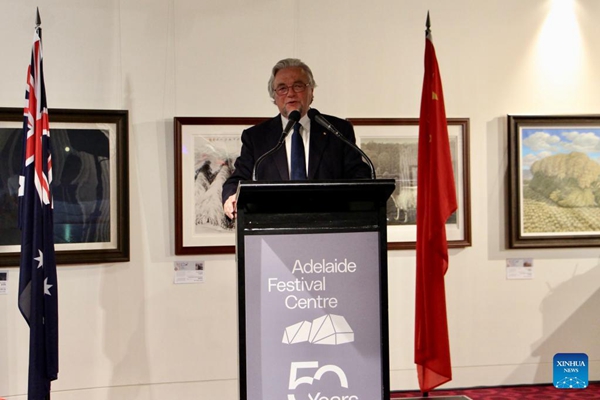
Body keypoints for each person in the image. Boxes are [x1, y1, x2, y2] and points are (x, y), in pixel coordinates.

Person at [222, 58, 371, 219]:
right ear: (274, 96)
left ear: (311, 91)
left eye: (298, 86)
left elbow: (359, 175)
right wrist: (231, 196)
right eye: (282, 88)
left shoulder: (337, 130)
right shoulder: (256, 137)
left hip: (329, 224)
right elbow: (238, 178)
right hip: (274, 226)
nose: (291, 93)